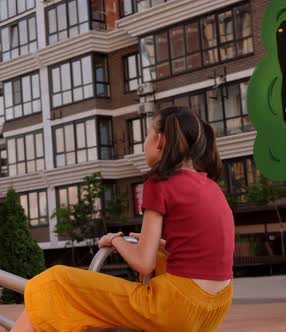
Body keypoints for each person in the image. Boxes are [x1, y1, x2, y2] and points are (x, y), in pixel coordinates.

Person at [12, 107, 234, 332]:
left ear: (159, 140)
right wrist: (158, 244)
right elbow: (207, 252)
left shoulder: (160, 182)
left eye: (146, 134)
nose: (145, 142)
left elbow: (143, 263)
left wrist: (116, 240)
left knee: (55, 282)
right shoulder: (211, 186)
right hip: (216, 306)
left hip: (176, 306)